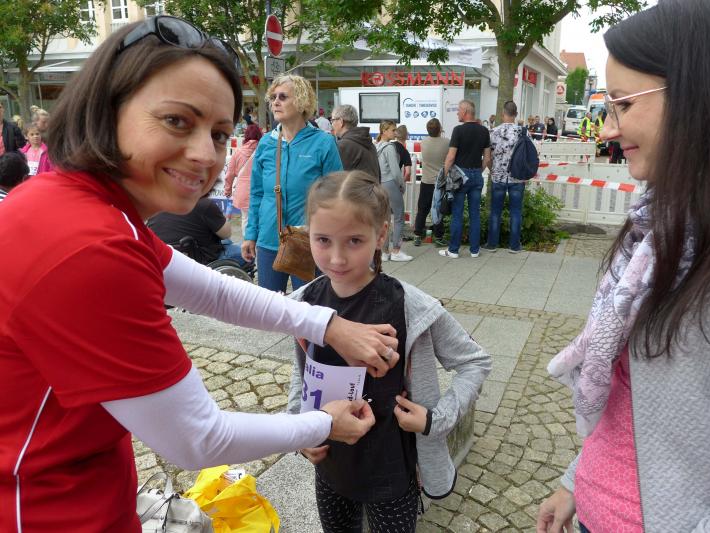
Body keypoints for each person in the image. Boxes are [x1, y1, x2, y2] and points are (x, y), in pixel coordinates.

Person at [0, 16, 406, 532]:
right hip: (48, 510)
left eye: (218, 133)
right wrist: (323, 423)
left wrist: (327, 324)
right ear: (109, 108)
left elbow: (211, 290)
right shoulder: (89, 249)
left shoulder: (75, 205)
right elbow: (197, 439)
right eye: (177, 121)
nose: (204, 154)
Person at [536, 1, 710, 532]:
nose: (607, 130)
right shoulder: (666, 225)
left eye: (622, 104)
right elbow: (635, 399)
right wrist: (576, 478)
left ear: (702, 96)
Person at [288, 170, 491, 533]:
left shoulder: (411, 306)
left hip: (391, 473)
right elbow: (302, 374)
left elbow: (475, 361)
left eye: (354, 240)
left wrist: (435, 419)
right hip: (331, 465)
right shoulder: (304, 303)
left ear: (381, 235)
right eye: (323, 240)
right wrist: (299, 431)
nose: (336, 258)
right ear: (308, 233)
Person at [242, 74, 343, 293]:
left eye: (283, 97)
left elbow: (336, 194)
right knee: (269, 306)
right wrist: (250, 235)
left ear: (301, 102)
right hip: (268, 240)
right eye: (273, 97)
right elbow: (257, 193)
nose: (275, 102)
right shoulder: (266, 143)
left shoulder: (323, 143)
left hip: (307, 241)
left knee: (310, 305)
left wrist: (324, 231)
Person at [440, 99, 490, 259]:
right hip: (476, 175)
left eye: (458, 110)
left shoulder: (458, 130)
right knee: (475, 214)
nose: (457, 113)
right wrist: (478, 170)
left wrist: (445, 175)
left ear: (465, 111)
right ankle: (474, 250)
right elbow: (487, 157)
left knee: (457, 214)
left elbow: (450, 157)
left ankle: (453, 250)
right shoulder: (484, 131)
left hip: (460, 178)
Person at [147, 194, 252, 267]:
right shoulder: (204, 203)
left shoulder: (155, 204)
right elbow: (226, 234)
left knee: (227, 242)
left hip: (165, 260)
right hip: (203, 259)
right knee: (247, 251)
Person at [486, 101, 526, 254]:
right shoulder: (523, 132)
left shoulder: (493, 132)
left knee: (495, 212)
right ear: (516, 115)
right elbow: (529, 154)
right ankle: (514, 246)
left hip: (498, 177)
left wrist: (493, 170)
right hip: (517, 178)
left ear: (503, 114)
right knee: (516, 212)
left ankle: (492, 244)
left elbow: (488, 157)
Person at [375, 120, 413, 262]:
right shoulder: (390, 148)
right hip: (391, 183)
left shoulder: (376, 146)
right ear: (384, 131)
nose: (395, 132)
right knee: (398, 217)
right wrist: (402, 185)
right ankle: (396, 250)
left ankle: (384, 252)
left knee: (384, 219)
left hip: (380, 183)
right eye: (392, 130)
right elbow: (396, 171)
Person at [414, 118, 449, 247]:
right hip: (440, 182)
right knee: (438, 209)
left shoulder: (423, 142)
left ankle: (417, 235)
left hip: (426, 181)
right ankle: (439, 237)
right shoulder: (447, 142)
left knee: (422, 209)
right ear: (440, 129)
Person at [224, 122, 262, 231]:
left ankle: (247, 240)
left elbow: (229, 174)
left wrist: (228, 190)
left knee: (245, 218)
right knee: (260, 219)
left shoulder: (238, 152)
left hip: (243, 191)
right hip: (261, 190)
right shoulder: (263, 151)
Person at [331, 104, 380, 182]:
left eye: (332, 120)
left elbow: (337, 179)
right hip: (374, 189)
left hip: (356, 189)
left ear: (341, 121)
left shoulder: (343, 145)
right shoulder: (368, 141)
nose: (331, 124)